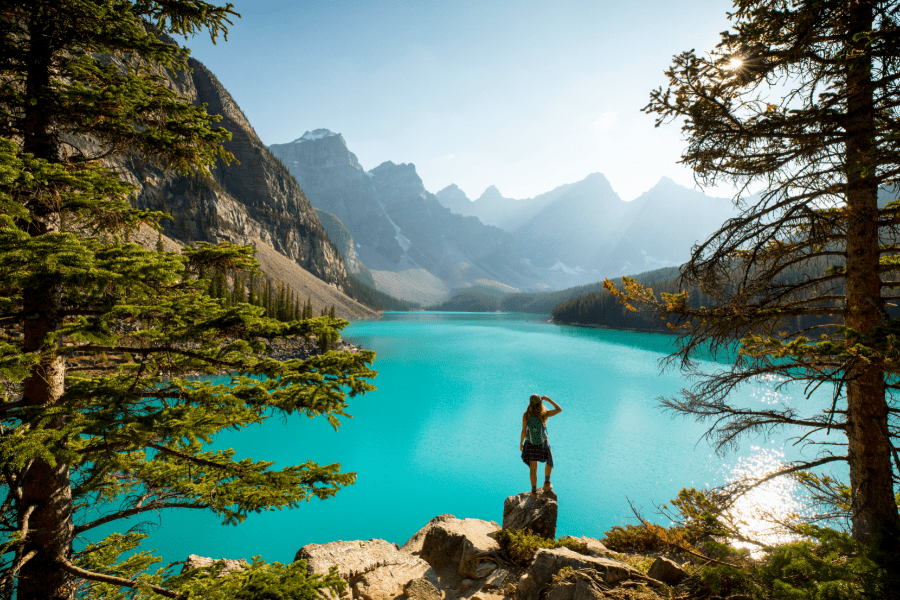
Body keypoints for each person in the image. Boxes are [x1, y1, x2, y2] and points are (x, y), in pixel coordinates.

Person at [519, 394, 561, 497]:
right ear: (540, 403)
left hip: (530, 444)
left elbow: (523, 430)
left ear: (530, 403)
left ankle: (533, 492)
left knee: (533, 468)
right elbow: (559, 409)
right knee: (549, 460)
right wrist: (549, 399)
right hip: (542, 444)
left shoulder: (526, 415)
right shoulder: (544, 414)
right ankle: (547, 483)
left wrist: (521, 443)